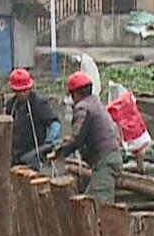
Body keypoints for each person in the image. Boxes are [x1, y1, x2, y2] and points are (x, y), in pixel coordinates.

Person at [49, 70, 124, 204]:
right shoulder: (95, 103)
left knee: (97, 205)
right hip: (109, 158)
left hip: (105, 162)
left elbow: (77, 138)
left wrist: (59, 152)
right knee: (89, 203)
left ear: (76, 94)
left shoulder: (83, 108)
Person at [5, 68, 59, 169]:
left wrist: (50, 141)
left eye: (24, 90)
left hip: (34, 153)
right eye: (19, 91)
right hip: (15, 155)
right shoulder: (11, 105)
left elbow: (54, 124)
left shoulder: (39, 103)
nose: (22, 94)